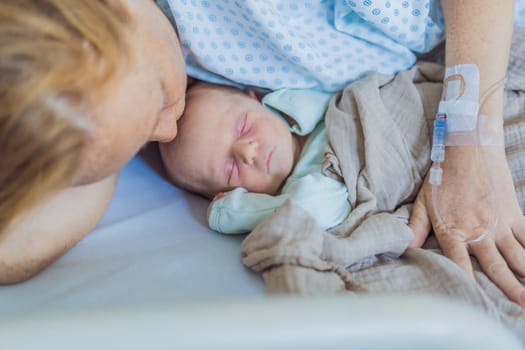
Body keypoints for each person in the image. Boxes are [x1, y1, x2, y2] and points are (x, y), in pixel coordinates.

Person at [0, 0, 523, 308]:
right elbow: (13, 246)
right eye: (133, 147)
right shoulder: (73, 78)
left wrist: (467, 138)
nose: (166, 130)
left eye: (160, 98)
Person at [159, 82, 351, 234]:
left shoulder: (299, 97)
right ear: (228, 193)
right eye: (231, 170)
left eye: (244, 127)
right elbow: (313, 212)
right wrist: (237, 212)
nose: (247, 152)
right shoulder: (309, 192)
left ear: (256, 98)